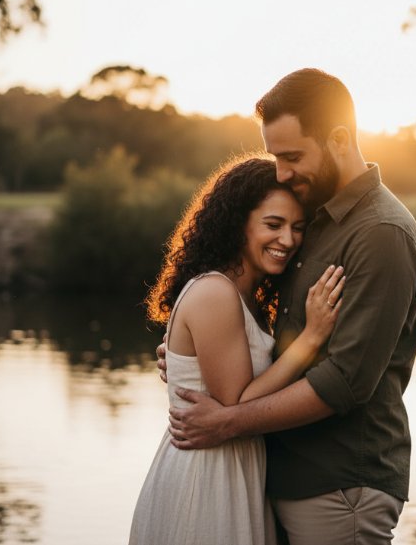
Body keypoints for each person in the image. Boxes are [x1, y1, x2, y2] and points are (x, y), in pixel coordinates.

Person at [158, 69, 416, 545]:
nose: (281, 172)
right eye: (275, 157)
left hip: (340, 485)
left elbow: (345, 380)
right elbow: (274, 336)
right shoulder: (315, 217)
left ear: (339, 139)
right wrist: (194, 360)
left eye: (292, 156)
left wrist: (227, 421)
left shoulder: (381, 234)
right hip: (279, 479)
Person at [129, 156, 347, 545]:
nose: (288, 240)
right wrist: (311, 339)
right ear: (237, 224)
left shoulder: (247, 297)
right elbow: (236, 402)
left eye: (297, 228)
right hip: (204, 476)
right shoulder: (216, 291)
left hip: (233, 467)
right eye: (273, 224)